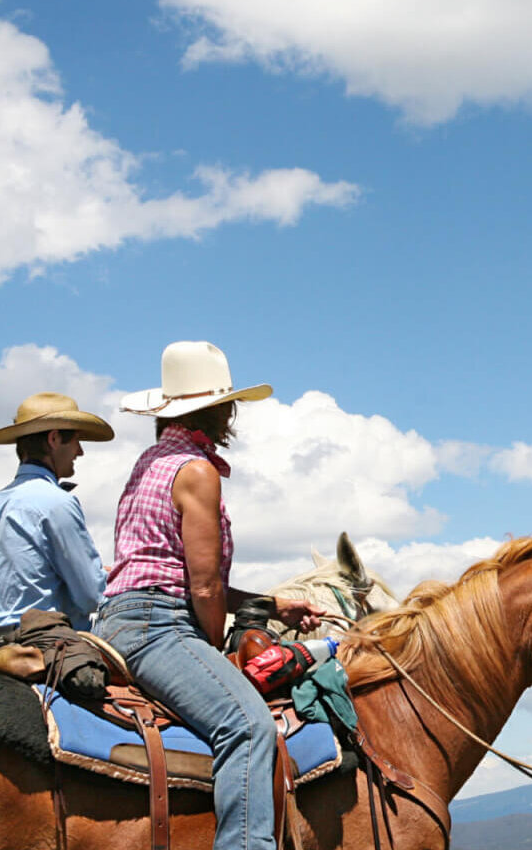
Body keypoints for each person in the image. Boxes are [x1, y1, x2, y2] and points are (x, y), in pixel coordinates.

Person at [94, 341, 321, 850]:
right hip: (158, 626)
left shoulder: (151, 461)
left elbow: (175, 569)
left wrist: (274, 605)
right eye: (228, 406)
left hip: (122, 616)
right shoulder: (196, 471)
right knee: (249, 725)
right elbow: (203, 585)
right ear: (218, 411)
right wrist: (214, 642)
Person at [0, 392, 116, 661]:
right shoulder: (56, 502)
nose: (80, 452)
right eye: (76, 440)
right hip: (42, 646)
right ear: (54, 438)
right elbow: (91, 595)